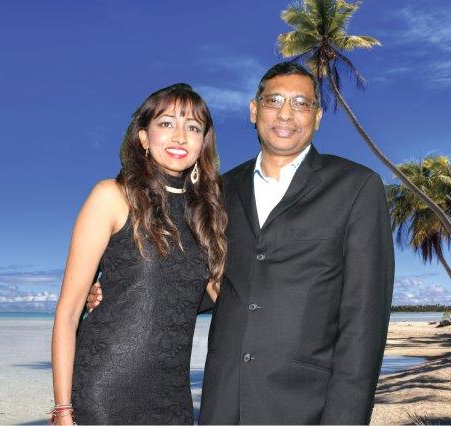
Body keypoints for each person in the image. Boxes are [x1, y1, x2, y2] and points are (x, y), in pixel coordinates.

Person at [88, 62, 394, 425]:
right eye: (274, 100)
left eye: (301, 103)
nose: (285, 113)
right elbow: (198, 280)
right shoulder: (217, 191)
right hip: (222, 403)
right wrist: (121, 290)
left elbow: (365, 322)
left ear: (317, 116)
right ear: (253, 110)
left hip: (305, 407)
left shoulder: (356, 187)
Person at [51, 83, 227, 425]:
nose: (180, 136)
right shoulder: (112, 196)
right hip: (104, 393)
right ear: (144, 137)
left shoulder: (208, 215)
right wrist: (62, 409)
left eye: (193, 127)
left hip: (174, 399)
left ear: (203, 142)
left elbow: (222, 297)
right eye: (166, 123)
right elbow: (68, 313)